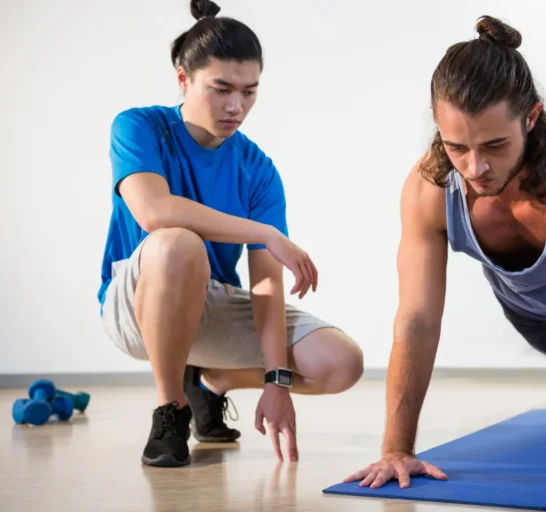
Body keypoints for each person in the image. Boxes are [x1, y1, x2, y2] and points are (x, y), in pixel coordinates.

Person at [344, 15, 546, 509]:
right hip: (529, 305)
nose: (476, 168)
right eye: (457, 147)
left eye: (495, 145)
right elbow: (417, 320)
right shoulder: (428, 190)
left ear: (532, 118)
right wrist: (396, 450)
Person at [98, 0, 363, 468]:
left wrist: (276, 380)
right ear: (184, 78)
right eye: (220, 89)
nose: (236, 106)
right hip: (136, 305)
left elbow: (265, 283)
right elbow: (154, 211)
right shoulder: (138, 126)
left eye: (249, 91)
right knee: (178, 242)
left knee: (341, 363)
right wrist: (265, 232)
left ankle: (211, 382)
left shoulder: (257, 169)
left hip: (210, 300)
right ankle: (170, 409)